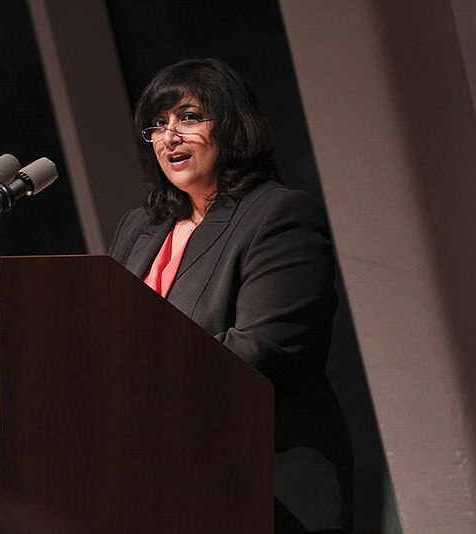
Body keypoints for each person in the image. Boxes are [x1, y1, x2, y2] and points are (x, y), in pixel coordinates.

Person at [109, 58, 354, 533]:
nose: (169, 137)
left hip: (262, 483)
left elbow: (256, 352)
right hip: (160, 486)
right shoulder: (141, 227)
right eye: (157, 125)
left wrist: (129, 386)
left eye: (189, 117)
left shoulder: (279, 216)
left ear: (233, 126)